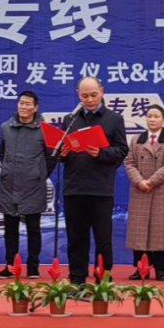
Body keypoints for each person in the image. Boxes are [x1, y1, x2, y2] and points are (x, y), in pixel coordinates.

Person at [58, 77, 129, 284]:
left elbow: (122, 150)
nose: (89, 100)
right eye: (84, 96)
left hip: (100, 189)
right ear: (78, 95)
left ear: (102, 91)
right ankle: (77, 279)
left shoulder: (114, 119)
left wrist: (100, 152)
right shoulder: (70, 120)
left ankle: (102, 279)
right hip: (74, 188)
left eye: (93, 95)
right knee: (75, 239)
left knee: (102, 239)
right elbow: (61, 152)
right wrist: (62, 153)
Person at [0, 91, 56, 280]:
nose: (23, 107)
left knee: (33, 228)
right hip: (9, 184)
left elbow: (51, 157)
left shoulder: (45, 130)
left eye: (28, 104)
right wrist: (9, 169)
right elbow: (1, 153)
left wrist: (39, 174)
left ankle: (33, 266)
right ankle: (10, 266)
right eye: (21, 103)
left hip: (33, 185)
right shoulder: (5, 127)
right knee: (10, 229)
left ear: (35, 107)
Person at [124, 104, 164, 281]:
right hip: (140, 190)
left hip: (161, 190)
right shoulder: (136, 139)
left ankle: (160, 269)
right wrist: (139, 181)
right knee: (139, 231)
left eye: (156, 116)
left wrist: (151, 181)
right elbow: (129, 163)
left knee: (160, 231)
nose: (152, 119)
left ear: (163, 119)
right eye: (149, 116)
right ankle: (141, 269)